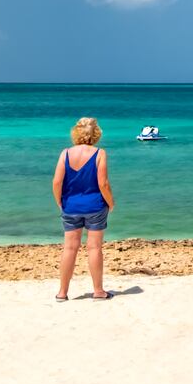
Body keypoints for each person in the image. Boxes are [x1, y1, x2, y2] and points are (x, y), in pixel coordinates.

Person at [51, 117, 116, 301]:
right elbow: (103, 183)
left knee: (69, 248)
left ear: (76, 133)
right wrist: (111, 203)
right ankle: (98, 291)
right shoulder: (100, 153)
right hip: (95, 206)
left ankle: (62, 293)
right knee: (94, 248)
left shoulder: (65, 153)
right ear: (96, 134)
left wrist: (59, 201)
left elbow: (57, 182)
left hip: (71, 206)